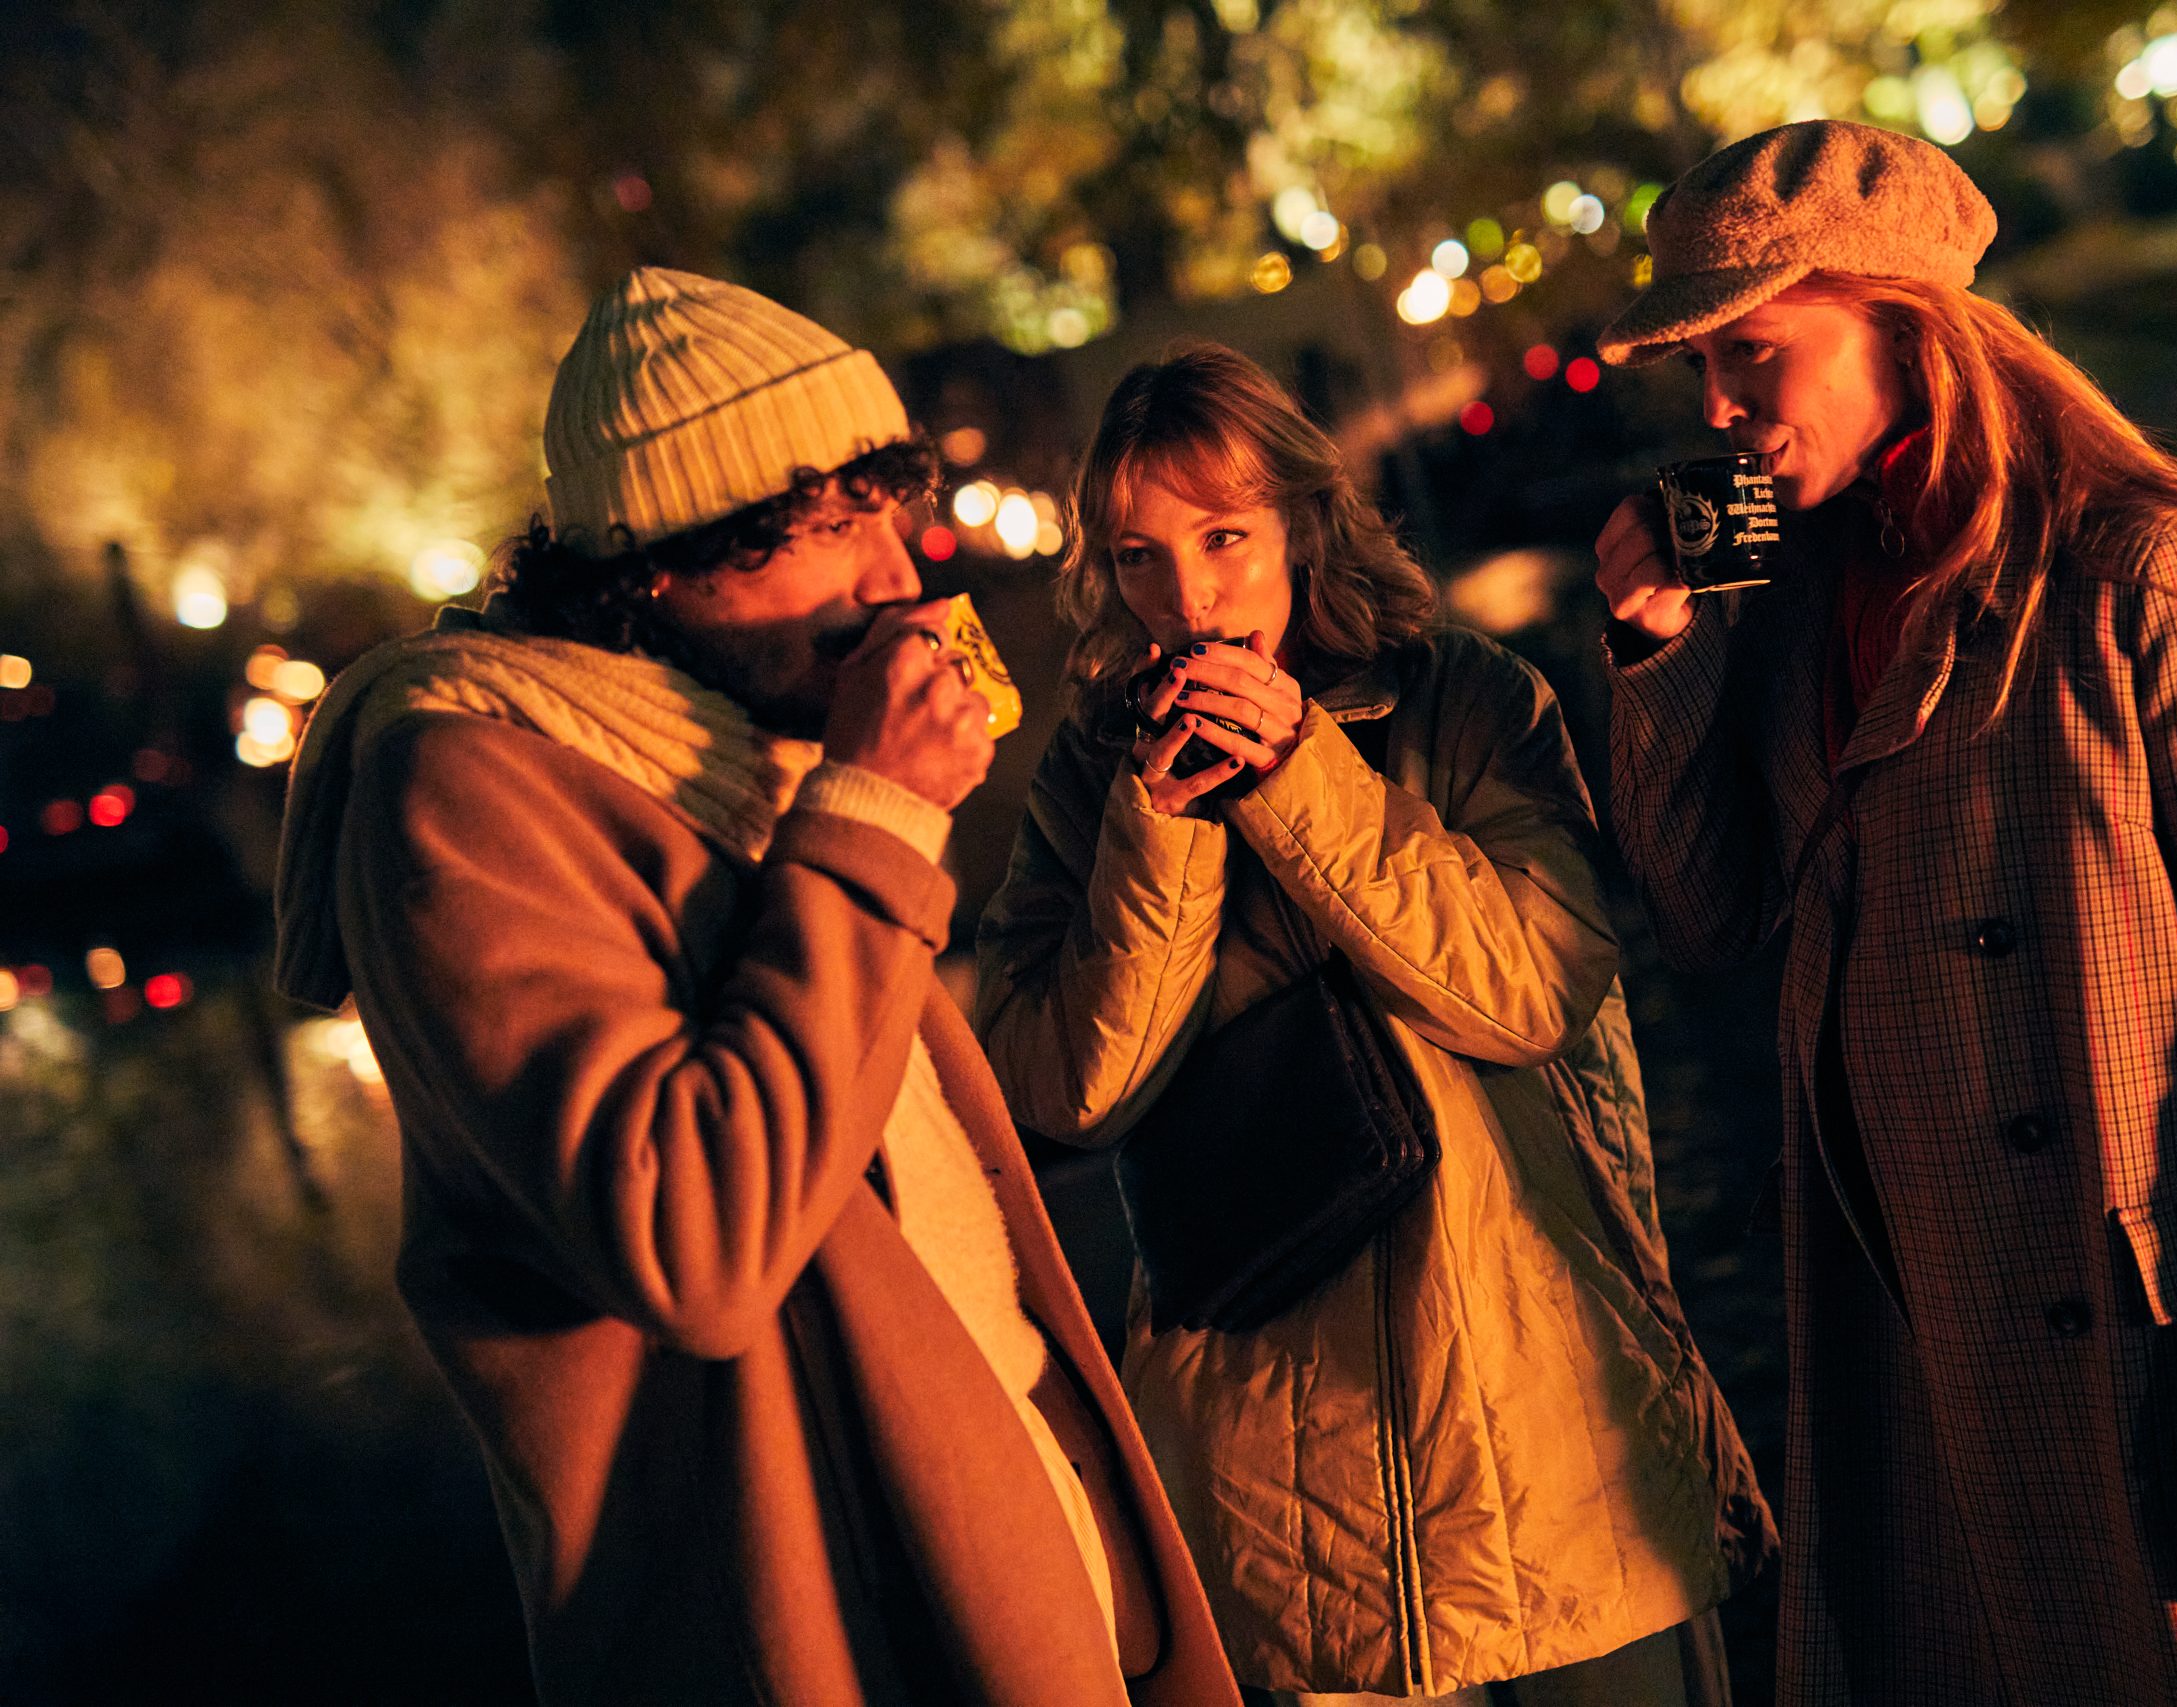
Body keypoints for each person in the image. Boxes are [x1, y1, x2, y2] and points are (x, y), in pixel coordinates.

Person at [1593, 121, 2177, 1704]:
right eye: (1700, 372)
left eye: (1753, 353)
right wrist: (1666, 654)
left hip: (2176, 1367)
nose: (1720, 411)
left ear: (1904, 323)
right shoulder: (1797, 593)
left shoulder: (2149, 579)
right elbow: (1715, 917)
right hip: (1937, 1381)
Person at [273, 267, 1240, 1707]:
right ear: (655, 566)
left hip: (1017, 1565)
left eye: (884, 513)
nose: (893, 579)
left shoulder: (728, 755)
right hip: (826, 1630)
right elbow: (696, 1247)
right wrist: (878, 815)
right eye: (823, 531)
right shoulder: (467, 794)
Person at [973, 344, 1775, 1707]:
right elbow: (1065, 1096)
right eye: (1139, 557)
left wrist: (1301, 775)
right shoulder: (1090, 779)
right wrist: (1157, 834)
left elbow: (1529, 991)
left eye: (1223, 536)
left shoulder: (1463, 699)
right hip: (1290, 1514)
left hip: (1560, 1453)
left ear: (1297, 514)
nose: (1190, 595)